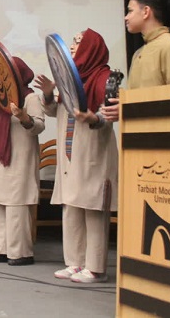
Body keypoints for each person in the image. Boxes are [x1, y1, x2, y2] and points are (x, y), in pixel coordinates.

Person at [35, 28, 118, 283]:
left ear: (92, 48)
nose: (72, 46)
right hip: (70, 156)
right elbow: (54, 111)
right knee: (71, 208)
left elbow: (109, 114)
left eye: (79, 42)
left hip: (93, 155)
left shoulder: (106, 78)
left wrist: (94, 118)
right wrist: (48, 93)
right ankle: (75, 262)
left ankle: (95, 268)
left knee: (93, 210)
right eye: (73, 41)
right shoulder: (69, 79)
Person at [0, 56, 45, 266]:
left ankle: (20, 252)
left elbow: (39, 126)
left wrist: (23, 117)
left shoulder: (30, 97)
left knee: (16, 205)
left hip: (19, 159)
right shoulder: (0, 97)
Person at [101, 0, 170, 122]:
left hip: (164, 135)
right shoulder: (139, 52)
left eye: (130, 11)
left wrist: (128, 109)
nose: (126, 17)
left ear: (146, 12)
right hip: (137, 134)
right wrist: (122, 106)